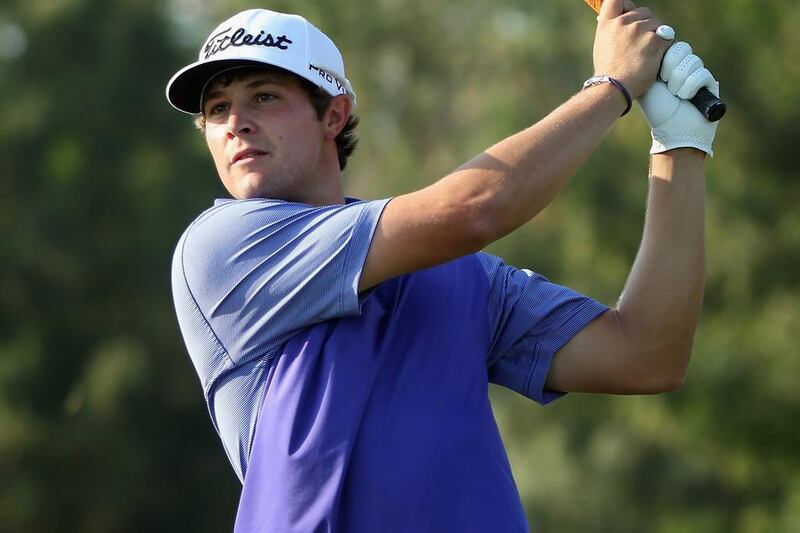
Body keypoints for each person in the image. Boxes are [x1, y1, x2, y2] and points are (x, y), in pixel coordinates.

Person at [166, 1, 720, 531]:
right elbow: (477, 208)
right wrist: (612, 86)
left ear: (333, 115)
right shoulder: (222, 247)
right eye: (217, 109)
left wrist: (680, 145)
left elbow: (645, 356)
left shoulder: (461, 275)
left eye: (263, 96)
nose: (236, 121)